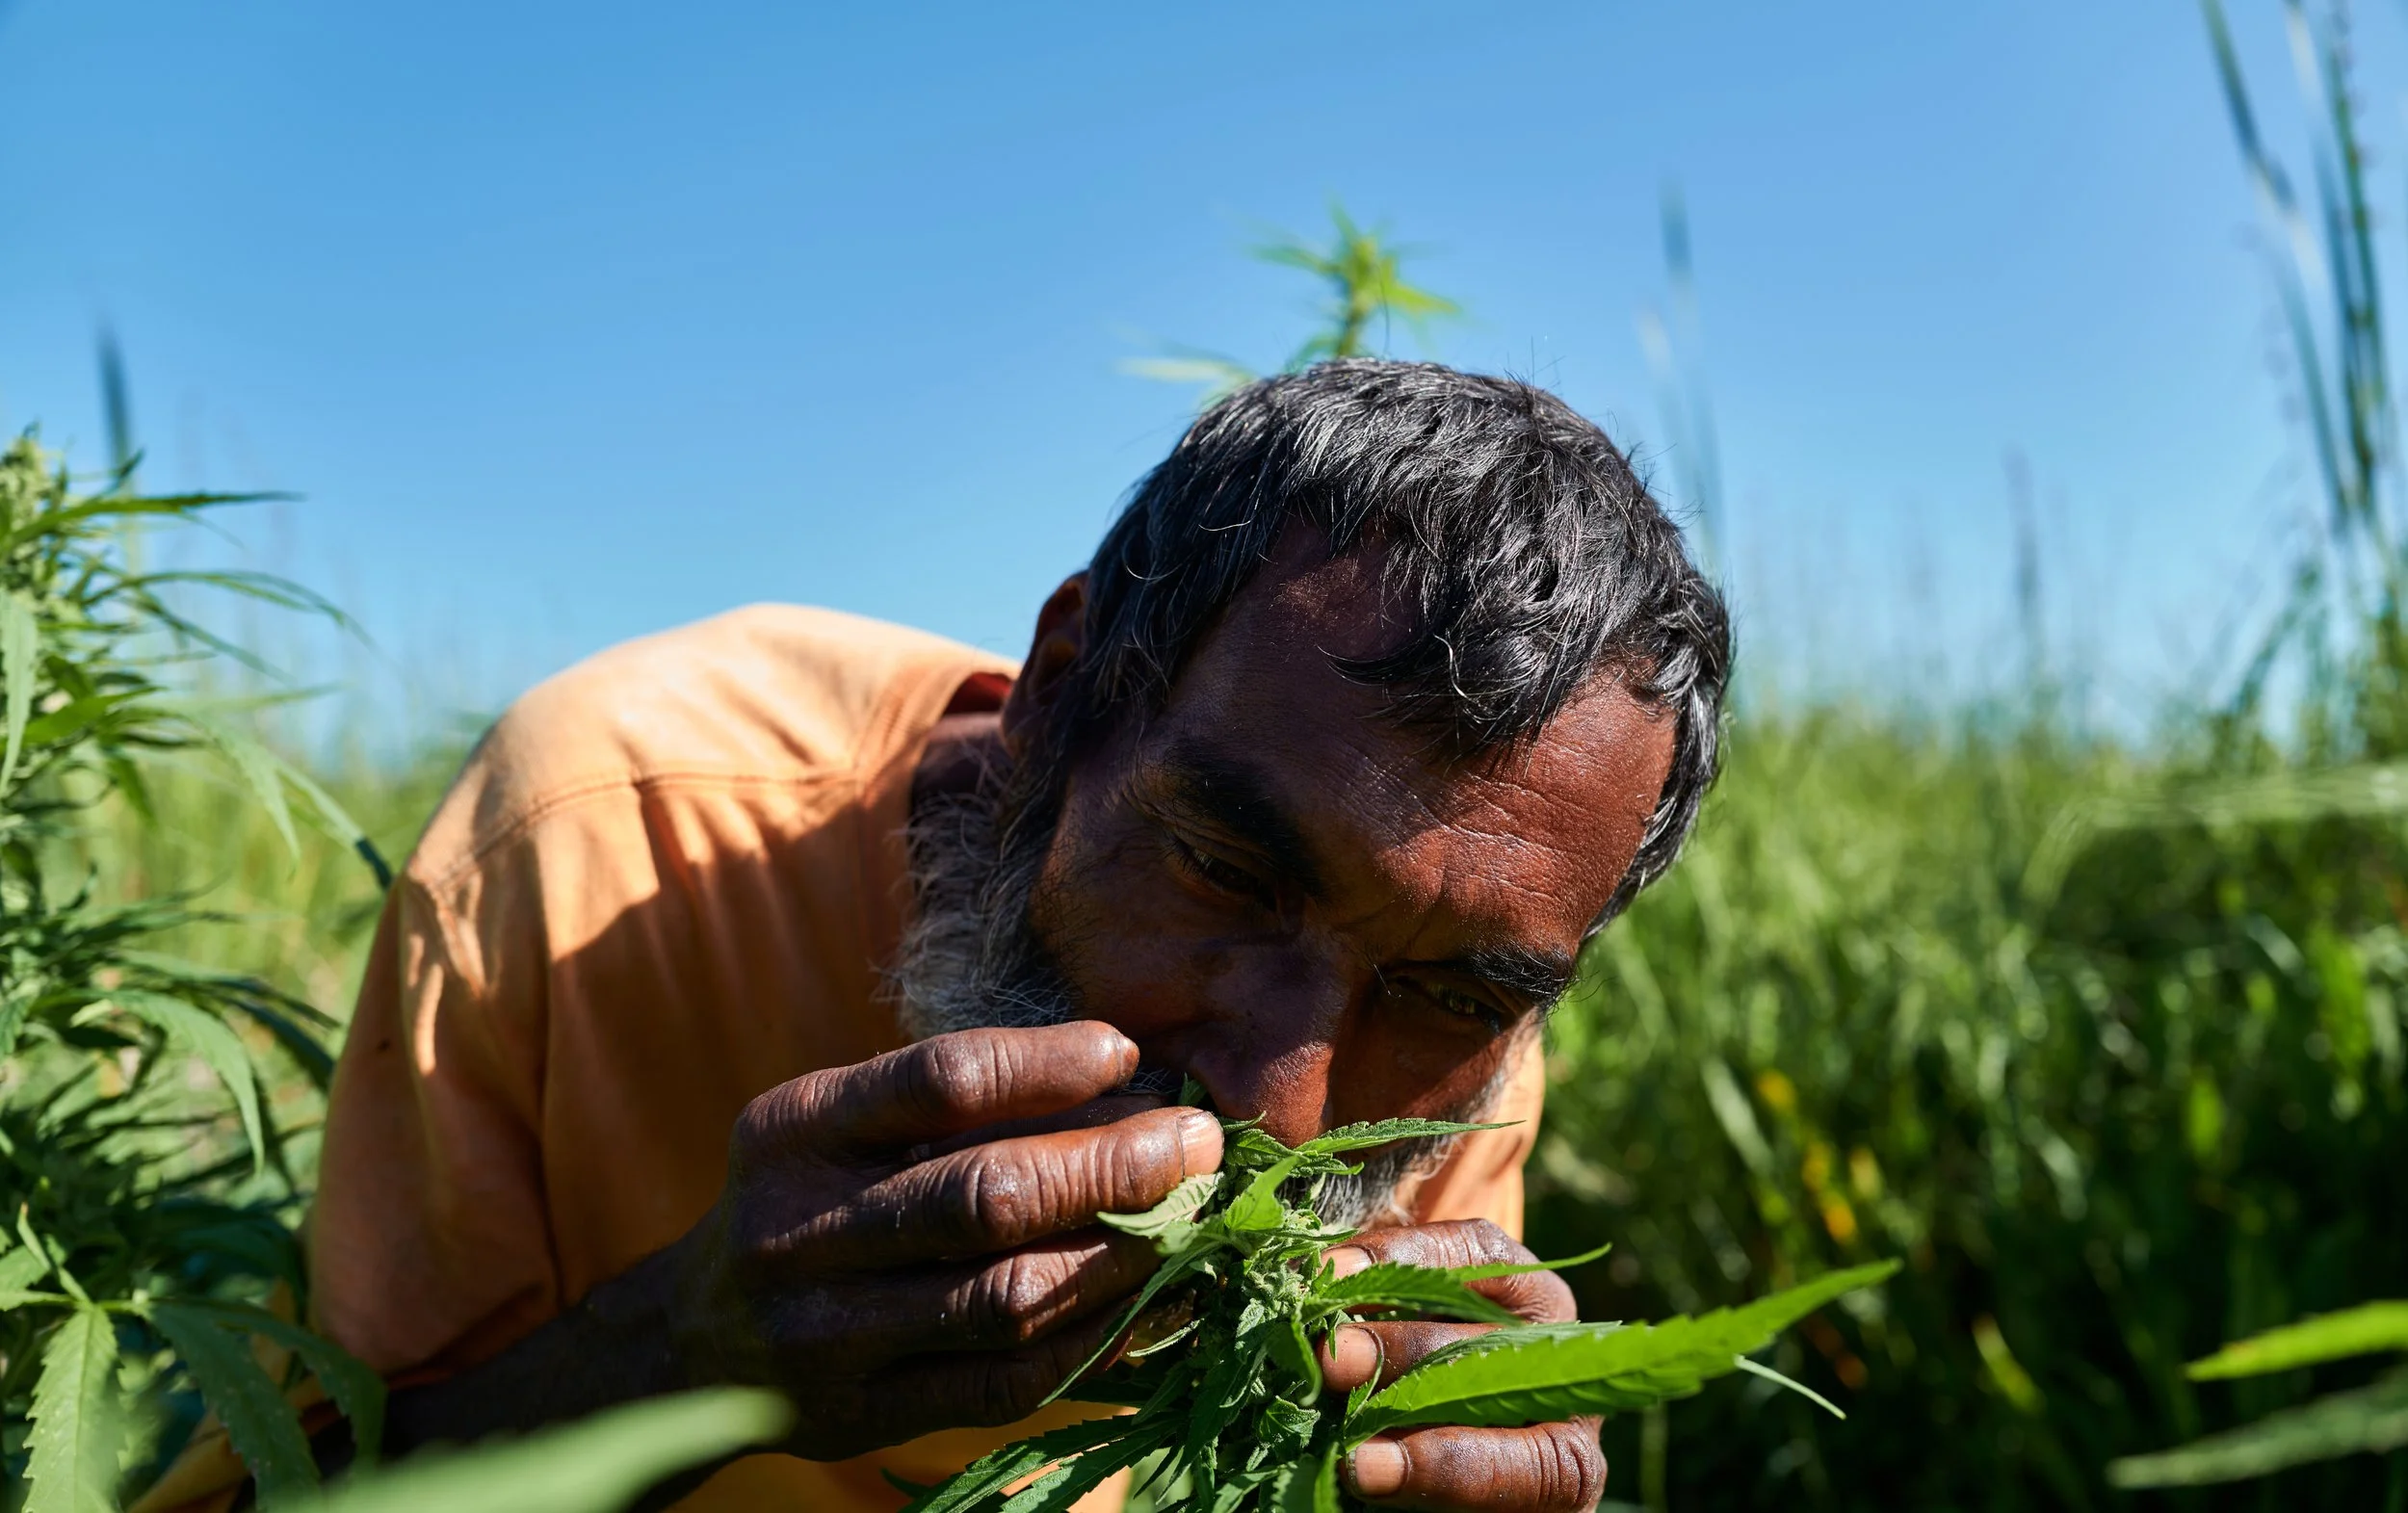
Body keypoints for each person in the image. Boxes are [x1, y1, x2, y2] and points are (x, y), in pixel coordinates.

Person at [142, 359, 1729, 1513]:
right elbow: (315, 1481)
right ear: (1060, 695)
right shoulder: (596, 843)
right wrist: (677, 1354)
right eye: (1229, 872)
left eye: (1452, 993)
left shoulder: (1464, 1053)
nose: (1283, 1108)